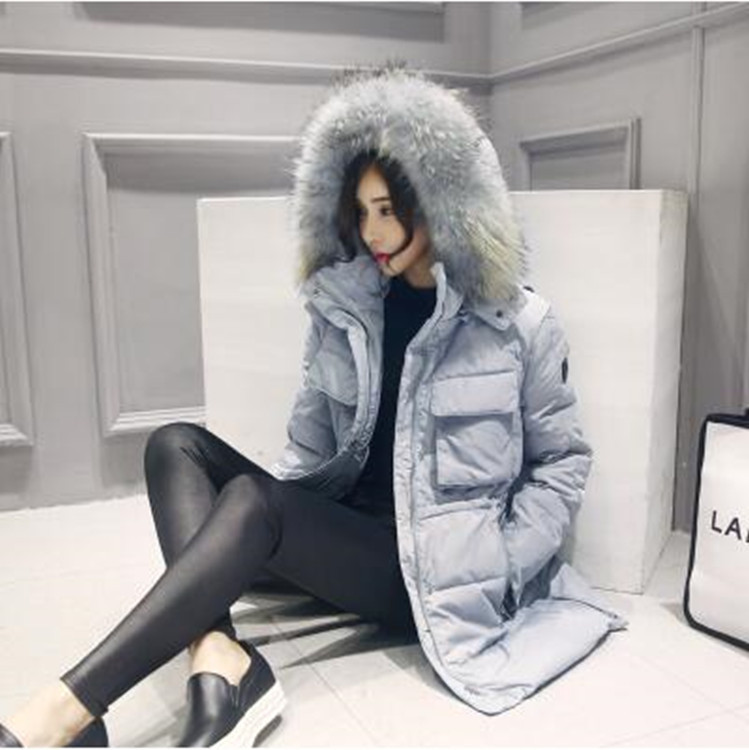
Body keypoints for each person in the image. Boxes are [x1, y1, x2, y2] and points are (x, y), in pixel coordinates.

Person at [0, 61, 627, 748]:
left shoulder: (517, 325)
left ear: (441, 201)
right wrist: (271, 531)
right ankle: (218, 660)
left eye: (387, 209)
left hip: (425, 572)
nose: (372, 232)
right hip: (345, 530)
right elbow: (309, 447)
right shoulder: (349, 307)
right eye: (360, 212)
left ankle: (66, 710)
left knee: (254, 503)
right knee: (174, 444)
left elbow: (562, 463)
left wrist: (503, 563)